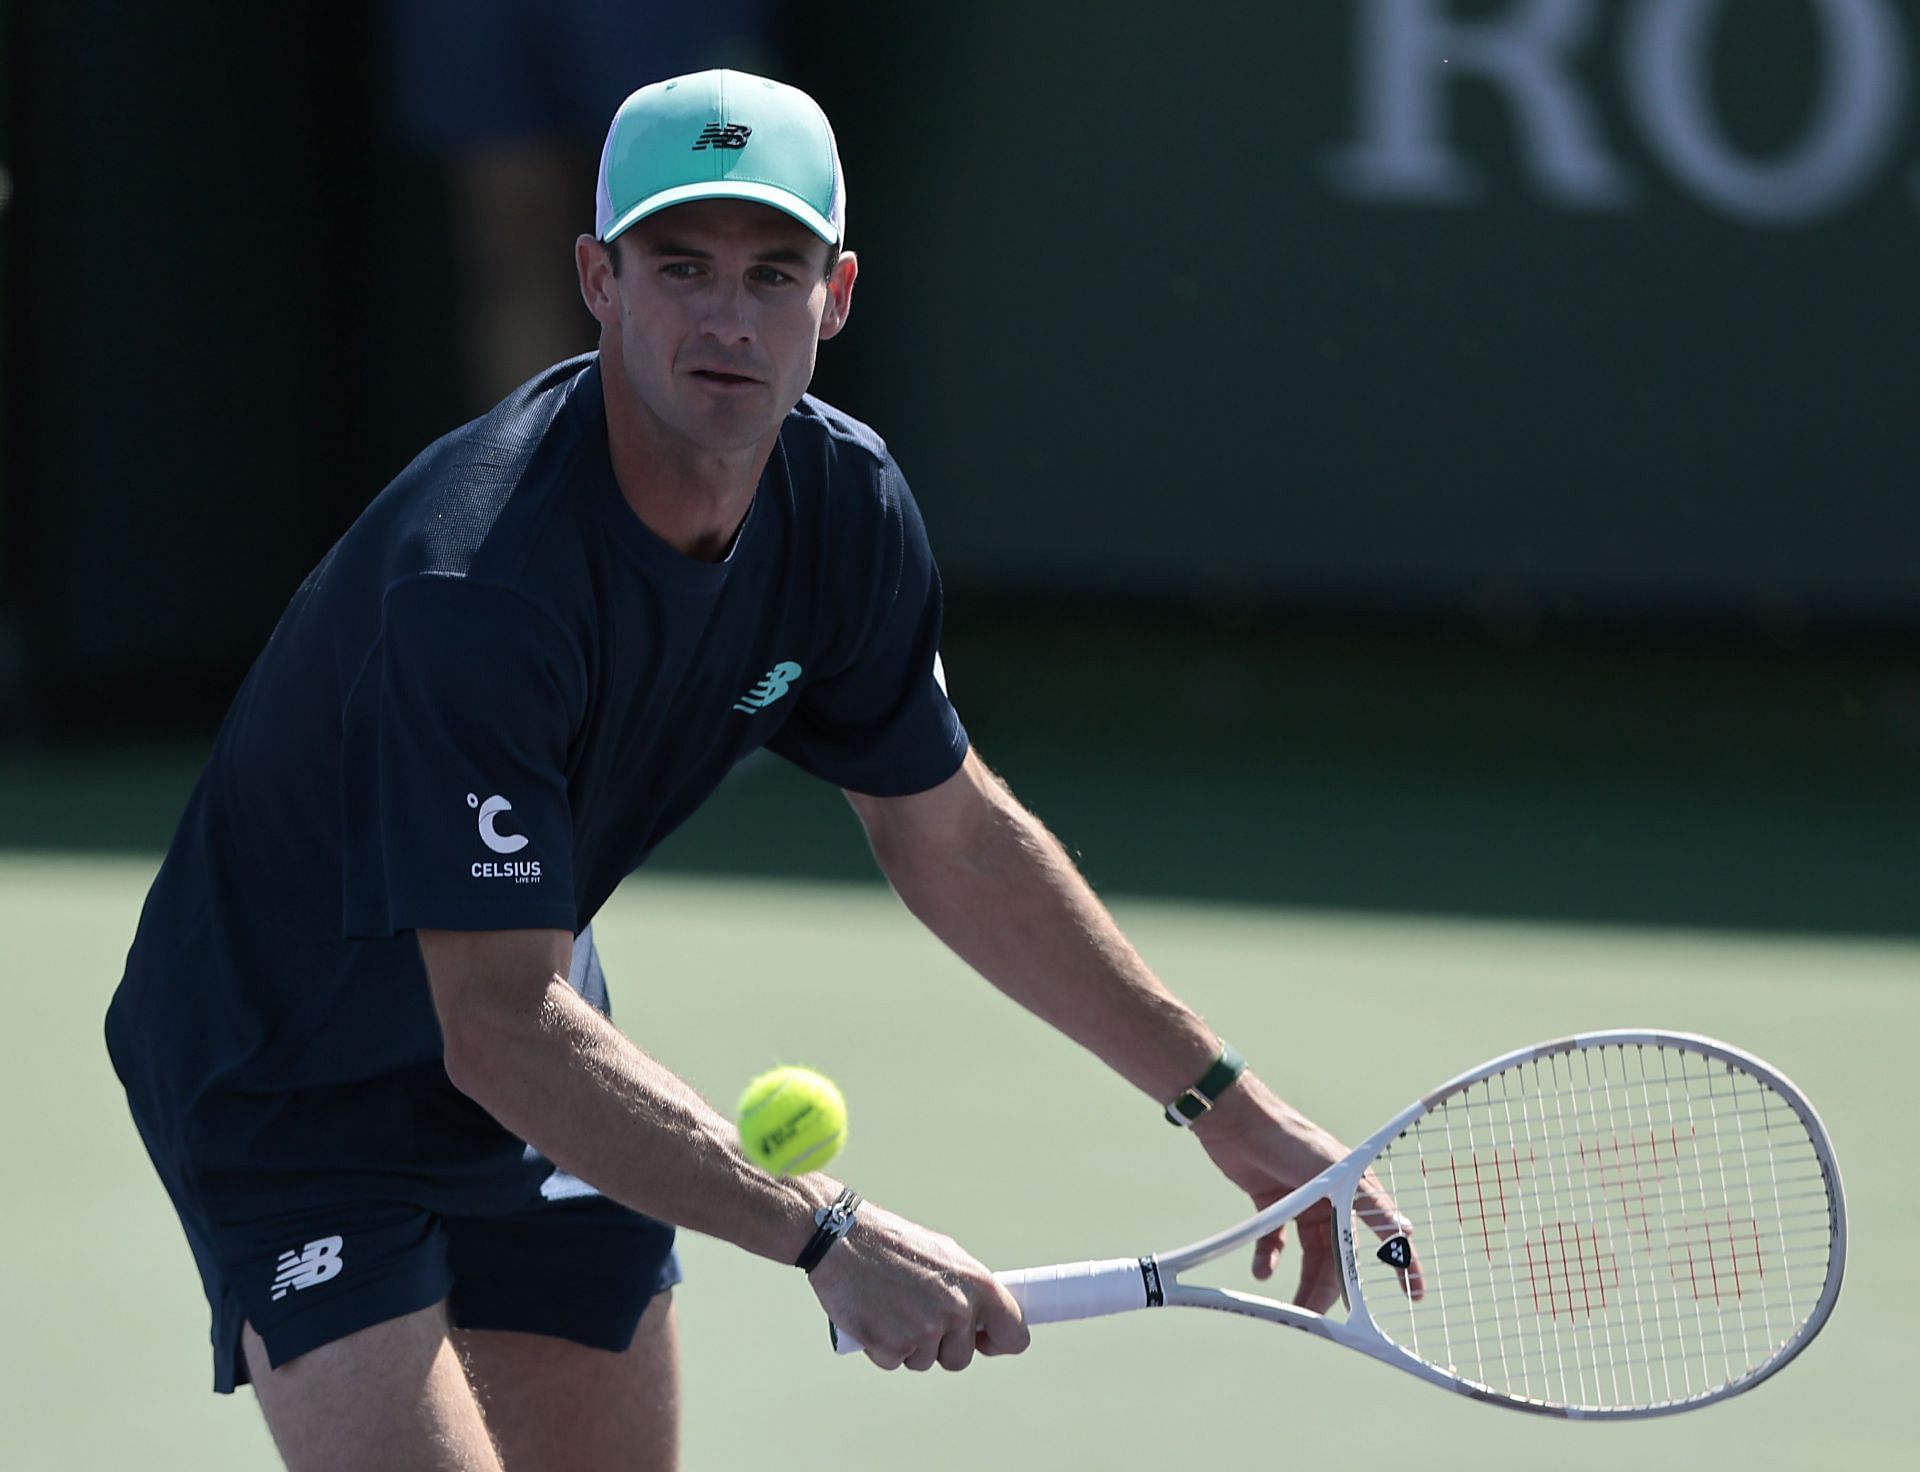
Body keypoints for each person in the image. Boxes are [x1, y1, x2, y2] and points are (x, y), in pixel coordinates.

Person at [106, 70, 1417, 1471]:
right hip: (292, 1074)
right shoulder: (479, 586)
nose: (728, 316)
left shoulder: (842, 506)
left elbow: (953, 837)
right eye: (681, 266)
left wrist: (1227, 1103)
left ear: (835, 295)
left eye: (772, 271)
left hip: (539, 1025)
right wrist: (828, 1233)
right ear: (598, 280)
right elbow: (491, 1026)